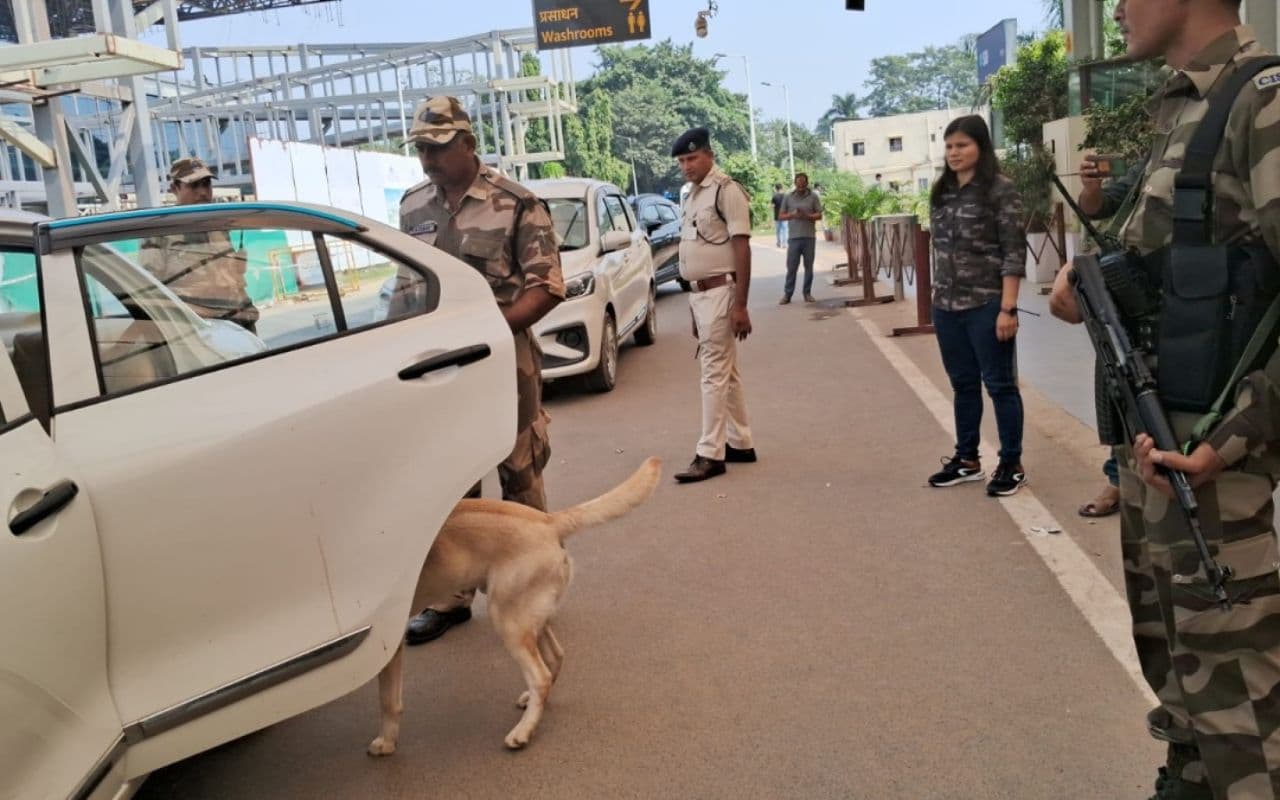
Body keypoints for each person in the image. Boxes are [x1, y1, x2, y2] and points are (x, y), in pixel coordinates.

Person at [1049, 2, 1280, 797]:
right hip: (1157, 447)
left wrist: (1242, 434)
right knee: (1183, 677)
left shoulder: (1263, 99)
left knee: (1243, 701)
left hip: (1214, 458)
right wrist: (1093, 280)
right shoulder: (1185, 106)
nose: (1114, 7)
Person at [399, 96, 566, 644]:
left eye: (439, 148)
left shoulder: (516, 203)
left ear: (469, 144)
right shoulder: (413, 207)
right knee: (452, 478)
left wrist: (491, 335)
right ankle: (452, 594)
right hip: (438, 365)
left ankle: (534, 579)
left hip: (504, 358)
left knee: (519, 468)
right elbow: (406, 290)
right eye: (422, 148)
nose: (429, 160)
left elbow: (546, 288)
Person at [925, 115, 1027, 497]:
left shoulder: (1000, 190)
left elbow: (1013, 252)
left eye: (962, 145)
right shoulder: (942, 192)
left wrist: (1008, 308)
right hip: (947, 305)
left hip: (987, 304)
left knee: (1000, 385)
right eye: (949, 146)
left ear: (980, 147)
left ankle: (1011, 463)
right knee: (963, 385)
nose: (954, 153)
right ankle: (967, 459)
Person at [671, 126, 756, 484]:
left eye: (692, 158)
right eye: (681, 161)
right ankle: (740, 442)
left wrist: (741, 305)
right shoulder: (691, 196)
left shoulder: (726, 190)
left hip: (722, 293)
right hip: (701, 294)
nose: (686, 166)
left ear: (709, 155)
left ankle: (710, 453)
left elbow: (741, 246)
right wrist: (694, 305)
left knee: (713, 374)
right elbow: (693, 250)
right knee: (727, 373)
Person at [139, 157, 259, 333]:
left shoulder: (218, 226)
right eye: (194, 185)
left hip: (238, 322)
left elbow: (231, 279)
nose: (202, 192)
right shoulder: (159, 233)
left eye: (206, 184)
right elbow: (149, 291)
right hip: (197, 329)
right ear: (175, 188)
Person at [778, 172, 823, 304]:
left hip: (809, 237)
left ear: (807, 183)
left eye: (803, 184)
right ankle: (787, 295)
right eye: (798, 184)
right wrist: (792, 214)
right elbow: (781, 216)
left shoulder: (813, 196)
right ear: (795, 184)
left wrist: (807, 216)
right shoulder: (788, 197)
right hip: (794, 238)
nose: (801, 186)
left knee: (808, 267)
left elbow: (819, 215)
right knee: (791, 267)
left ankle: (807, 293)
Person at [771, 182, 787, 247]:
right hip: (785, 215)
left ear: (776, 188)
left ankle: (779, 243)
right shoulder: (786, 196)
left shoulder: (774, 196)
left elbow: (772, 206)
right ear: (782, 188)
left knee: (778, 230)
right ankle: (784, 244)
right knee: (785, 230)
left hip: (777, 215)